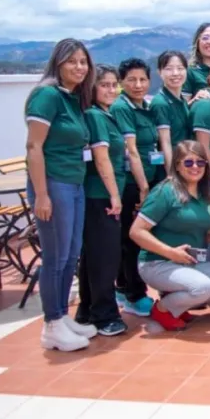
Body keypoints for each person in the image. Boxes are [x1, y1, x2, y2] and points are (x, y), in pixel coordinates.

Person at [24, 39, 97, 351]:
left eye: (83, 62)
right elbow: (33, 147)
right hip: (53, 185)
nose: (79, 67)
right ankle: (51, 323)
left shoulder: (72, 99)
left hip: (74, 184)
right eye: (72, 61)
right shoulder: (47, 95)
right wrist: (41, 195)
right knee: (55, 256)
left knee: (70, 254)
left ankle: (61, 317)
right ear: (58, 63)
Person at [130, 141, 210, 331]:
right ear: (178, 166)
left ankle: (177, 306)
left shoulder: (204, 193)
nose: (195, 167)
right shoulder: (165, 191)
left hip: (189, 261)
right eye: (188, 163)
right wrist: (170, 252)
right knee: (203, 287)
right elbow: (136, 231)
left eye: (200, 162)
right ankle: (162, 309)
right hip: (157, 262)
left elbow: (194, 227)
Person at [76, 66, 128, 336]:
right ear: (92, 88)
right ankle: (105, 315)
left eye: (114, 84)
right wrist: (115, 195)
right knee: (106, 257)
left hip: (103, 195)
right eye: (104, 85)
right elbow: (101, 157)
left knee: (93, 255)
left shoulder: (106, 115)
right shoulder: (95, 116)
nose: (111, 90)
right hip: (100, 196)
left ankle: (86, 310)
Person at [111, 58, 159, 317]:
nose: (138, 85)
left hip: (146, 178)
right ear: (121, 83)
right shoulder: (122, 108)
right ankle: (134, 295)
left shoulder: (146, 107)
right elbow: (131, 151)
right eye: (131, 80)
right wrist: (143, 187)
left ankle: (122, 286)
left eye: (142, 80)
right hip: (131, 183)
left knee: (130, 237)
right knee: (132, 239)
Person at [151, 50, 192, 175]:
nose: (175, 73)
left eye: (180, 68)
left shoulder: (181, 100)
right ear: (160, 72)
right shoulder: (160, 102)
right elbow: (165, 142)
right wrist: (171, 175)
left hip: (185, 163)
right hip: (171, 167)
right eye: (169, 69)